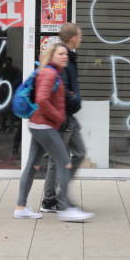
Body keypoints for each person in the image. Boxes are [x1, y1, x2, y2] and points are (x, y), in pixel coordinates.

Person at [14, 42, 93, 222]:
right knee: (65, 163)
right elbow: (42, 99)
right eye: (60, 54)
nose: (65, 56)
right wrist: (57, 116)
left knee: (32, 165)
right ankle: (65, 208)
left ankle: (21, 207)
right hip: (45, 126)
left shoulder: (52, 73)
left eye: (65, 54)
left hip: (38, 125)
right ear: (51, 56)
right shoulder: (49, 74)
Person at [39, 23, 86, 214]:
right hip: (63, 116)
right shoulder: (64, 55)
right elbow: (61, 87)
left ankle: (53, 198)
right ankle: (54, 199)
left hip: (67, 116)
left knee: (72, 154)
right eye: (80, 35)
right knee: (62, 157)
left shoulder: (69, 55)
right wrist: (73, 100)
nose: (81, 38)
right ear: (73, 37)